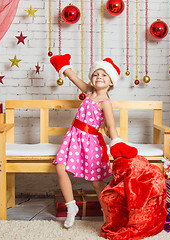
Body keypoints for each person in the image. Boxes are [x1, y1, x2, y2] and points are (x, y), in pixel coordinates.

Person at [49, 54, 137, 228]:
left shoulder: (106, 102)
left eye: (104, 75)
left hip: (90, 142)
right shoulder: (89, 91)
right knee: (60, 167)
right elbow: (73, 78)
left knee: (96, 182)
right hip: (74, 137)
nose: (99, 77)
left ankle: (107, 210)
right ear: (91, 78)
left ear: (110, 82)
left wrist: (116, 142)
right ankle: (71, 206)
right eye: (96, 74)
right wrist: (63, 65)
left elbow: (111, 126)